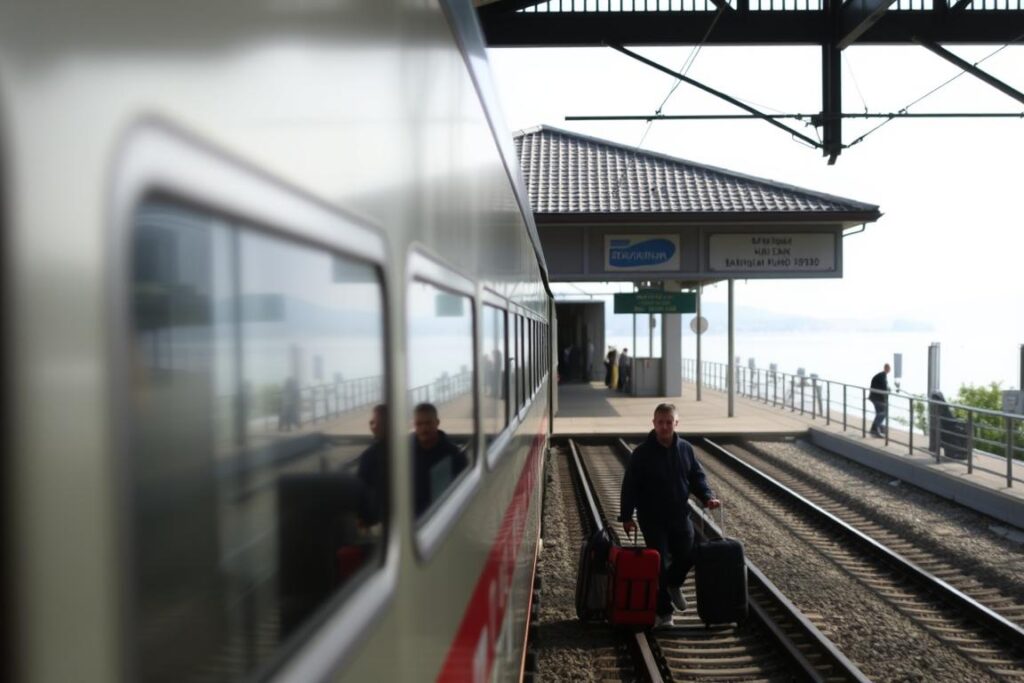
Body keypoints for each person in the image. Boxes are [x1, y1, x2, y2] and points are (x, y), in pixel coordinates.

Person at [619, 403, 721, 629]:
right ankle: (664, 613)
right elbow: (630, 487)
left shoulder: (685, 449)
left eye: (669, 422)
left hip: (679, 514)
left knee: (688, 555)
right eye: (660, 422)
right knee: (659, 563)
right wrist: (626, 516)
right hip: (652, 518)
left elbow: (696, 477)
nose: (664, 427)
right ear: (653, 423)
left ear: (676, 423)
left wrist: (707, 496)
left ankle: (674, 584)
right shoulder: (642, 454)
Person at [412, 402, 468, 517]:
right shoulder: (405, 452)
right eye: (419, 424)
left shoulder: (455, 455)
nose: (424, 428)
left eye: (428, 423)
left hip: (443, 518)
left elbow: (463, 494)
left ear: (437, 423)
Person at [354, 404, 387, 526]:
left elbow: (360, 495)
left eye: (373, 422)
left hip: (378, 521)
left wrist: (361, 520)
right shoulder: (409, 449)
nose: (372, 426)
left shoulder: (369, 456)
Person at [869, 363, 891, 437]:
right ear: (886, 368)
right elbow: (884, 388)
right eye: (888, 368)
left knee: (879, 413)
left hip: (875, 397)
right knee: (883, 413)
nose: (889, 370)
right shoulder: (882, 376)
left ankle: (875, 429)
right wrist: (888, 390)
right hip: (877, 398)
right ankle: (876, 429)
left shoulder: (881, 375)